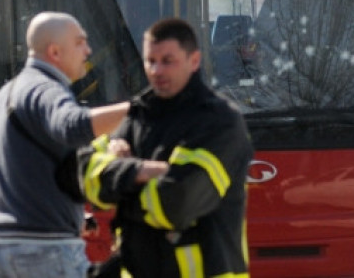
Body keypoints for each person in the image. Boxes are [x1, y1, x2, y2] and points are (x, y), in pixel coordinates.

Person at [0, 12, 166, 278]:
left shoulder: (7, 94)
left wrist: (74, 218)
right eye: (80, 43)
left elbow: (6, 177)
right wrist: (139, 109)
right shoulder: (45, 90)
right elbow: (73, 126)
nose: (88, 51)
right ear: (54, 52)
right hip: (43, 251)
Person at [83, 17, 254, 278]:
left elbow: (176, 204)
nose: (157, 71)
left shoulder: (220, 122)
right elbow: (80, 170)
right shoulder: (138, 116)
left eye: (168, 61)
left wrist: (118, 182)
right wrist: (141, 172)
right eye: (150, 61)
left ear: (194, 61)